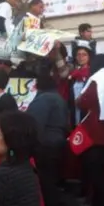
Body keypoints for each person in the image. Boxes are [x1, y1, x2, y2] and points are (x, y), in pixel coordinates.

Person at [75, 55, 104, 206]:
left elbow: (85, 101)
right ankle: (99, 205)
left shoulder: (97, 78)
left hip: (95, 132)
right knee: (100, 172)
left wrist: (79, 99)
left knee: (96, 173)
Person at [26, 68, 69, 196]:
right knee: (54, 177)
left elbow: (36, 124)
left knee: (46, 180)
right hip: (58, 141)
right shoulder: (58, 98)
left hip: (45, 144)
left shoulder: (43, 99)